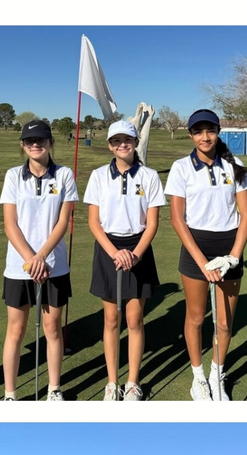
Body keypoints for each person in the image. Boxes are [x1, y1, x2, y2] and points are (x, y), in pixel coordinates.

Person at [166, 109, 247, 401]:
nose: (205, 137)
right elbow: (177, 219)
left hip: (229, 247)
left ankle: (217, 374)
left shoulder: (234, 165)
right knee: (195, 318)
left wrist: (234, 257)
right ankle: (199, 378)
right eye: (198, 132)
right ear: (191, 135)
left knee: (225, 322)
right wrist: (202, 261)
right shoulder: (181, 167)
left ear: (218, 131)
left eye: (210, 130)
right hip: (196, 246)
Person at [83, 121, 166, 401]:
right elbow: (94, 222)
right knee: (110, 320)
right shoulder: (97, 176)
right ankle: (111, 382)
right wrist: (114, 252)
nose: (122, 145)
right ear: (109, 145)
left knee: (134, 320)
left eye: (127, 140)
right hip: (109, 249)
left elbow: (152, 223)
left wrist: (136, 254)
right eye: (116, 141)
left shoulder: (150, 176)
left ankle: (132, 382)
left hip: (137, 249)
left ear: (135, 142)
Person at [0, 120, 78, 401]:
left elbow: (63, 221)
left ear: (50, 142)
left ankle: (54, 389)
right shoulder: (12, 176)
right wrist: (31, 258)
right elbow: (10, 224)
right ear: (22, 145)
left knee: (52, 329)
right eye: (30, 141)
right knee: (16, 330)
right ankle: (10, 394)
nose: (36, 144)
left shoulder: (65, 175)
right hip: (19, 267)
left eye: (41, 140)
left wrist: (42, 256)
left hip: (53, 265)